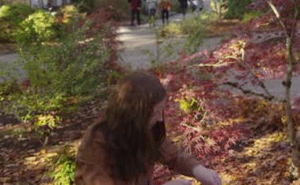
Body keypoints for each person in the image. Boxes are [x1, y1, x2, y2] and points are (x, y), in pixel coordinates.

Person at [75, 73, 222, 185]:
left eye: (161, 112)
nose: (159, 119)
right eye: (154, 113)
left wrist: (198, 170)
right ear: (134, 114)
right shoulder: (96, 143)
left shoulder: (146, 129)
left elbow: (173, 156)